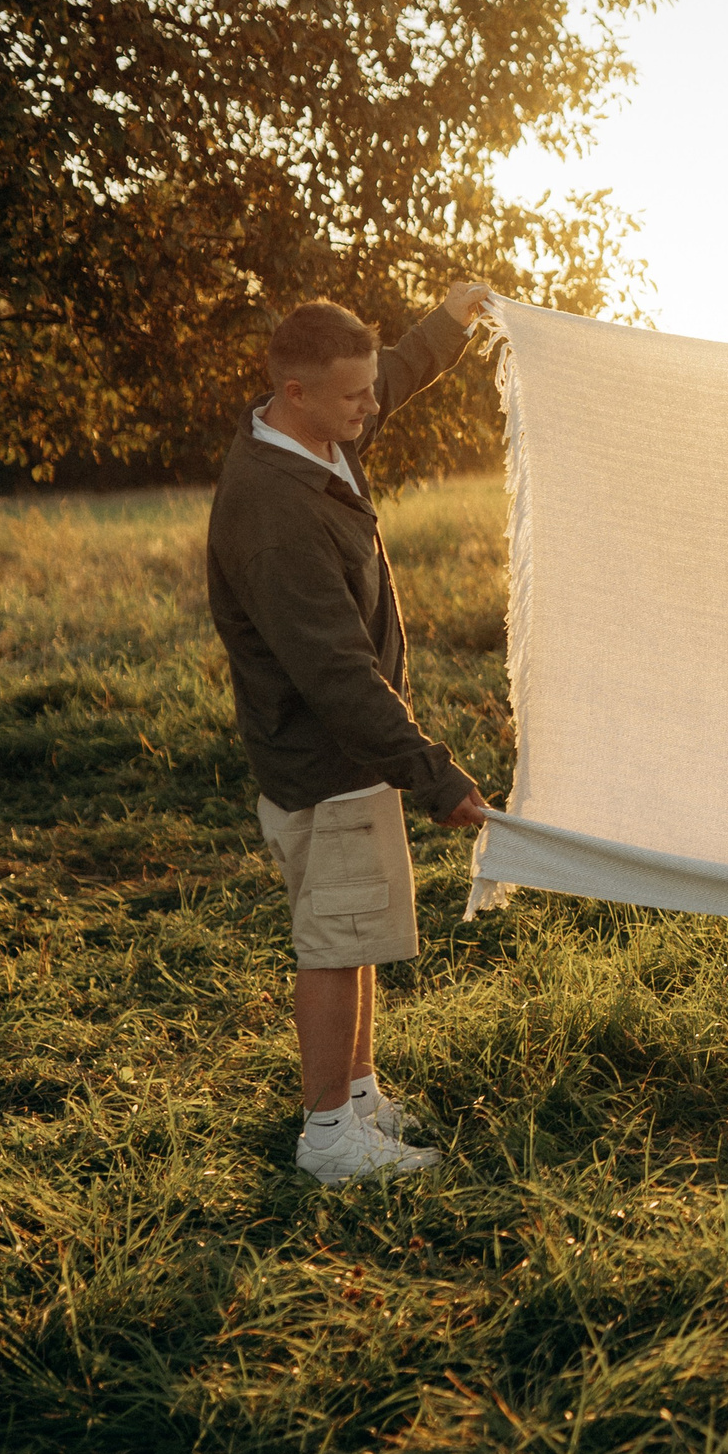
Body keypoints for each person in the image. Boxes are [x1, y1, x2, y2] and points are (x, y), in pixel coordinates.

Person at [206, 284, 497, 1185]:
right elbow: (334, 671)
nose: (371, 406)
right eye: (351, 395)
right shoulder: (276, 510)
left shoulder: (314, 436)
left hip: (354, 757)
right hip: (324, 759)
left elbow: (391, 375)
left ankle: (360, 1095)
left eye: (369, 389)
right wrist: (433, 774)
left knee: (359, 926)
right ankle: (328, 1134)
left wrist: (445, 325)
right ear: (294, 392)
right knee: (334, 942)